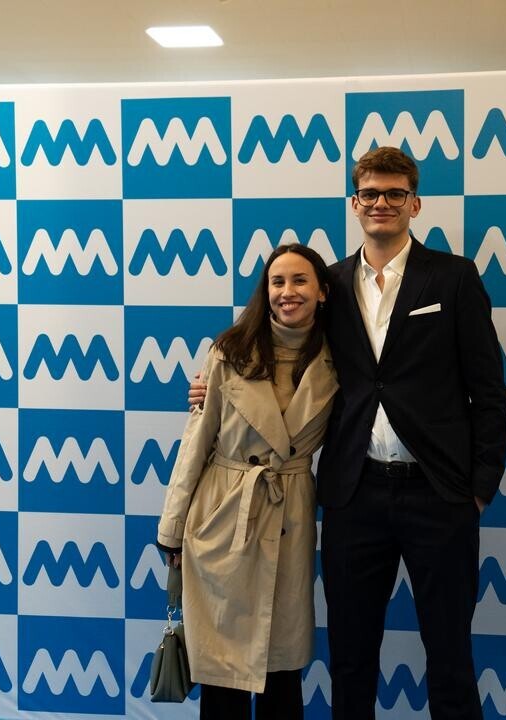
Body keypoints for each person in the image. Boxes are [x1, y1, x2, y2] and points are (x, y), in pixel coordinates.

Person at [192, 147, 506, 719]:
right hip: (353, 494)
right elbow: (279, 349)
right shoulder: (330, 285)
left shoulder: (454, 278)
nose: (381, 203)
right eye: (370, 193)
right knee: (351, 659)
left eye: (394, 193)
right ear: (355, 204)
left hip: (440, 496)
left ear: (414, 204)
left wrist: (479, 489)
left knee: (450, 658)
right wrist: (212, 384)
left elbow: (488, 391)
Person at [157, 243, 337, 720]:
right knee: (224, 673)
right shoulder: (231, 350)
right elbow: (196, 441)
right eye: (277, 282)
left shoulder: (340, 359)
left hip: (290, 515)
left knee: (282, 672)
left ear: (322, 292)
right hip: (223, 515)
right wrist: (171, 529)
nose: (287, 291)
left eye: (300, 280)